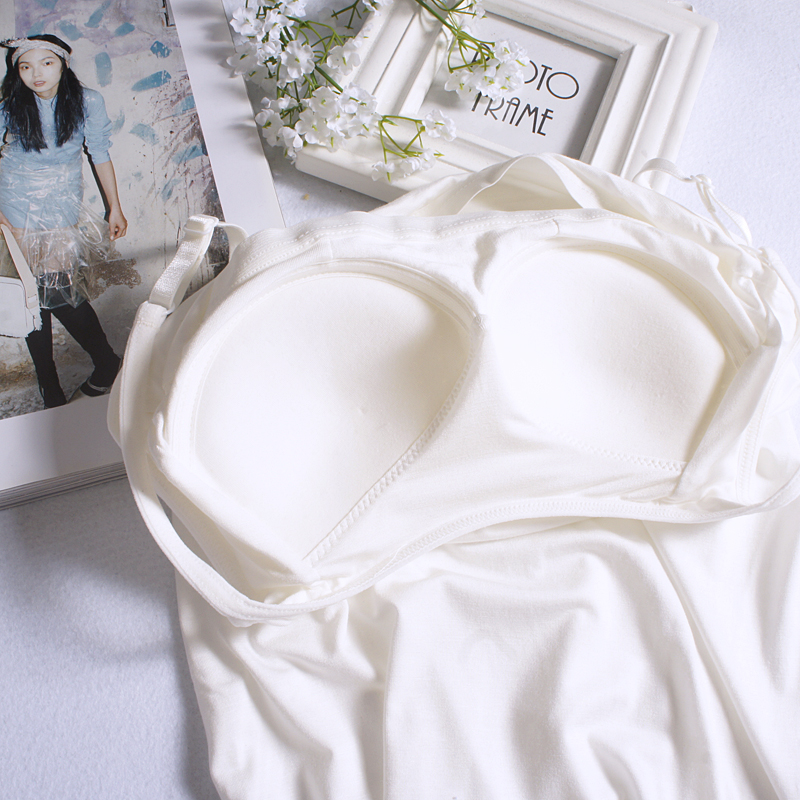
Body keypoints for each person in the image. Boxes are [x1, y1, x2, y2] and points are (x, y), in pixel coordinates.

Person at [0, 34, 127, 408]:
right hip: (14, 198)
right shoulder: (10, 104)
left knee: (57, 290)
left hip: (61, 199)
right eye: (25, 66)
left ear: (63, 64)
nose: (36, 73)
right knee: (31, 295)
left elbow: (99, 152)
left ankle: (106, 363)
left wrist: (115, 207)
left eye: (46, 63)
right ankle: (49, 385)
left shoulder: (88, 101)